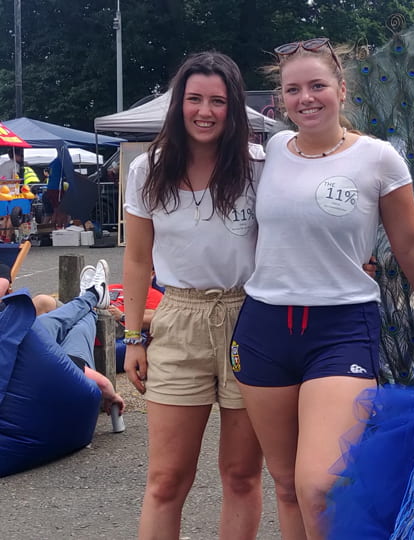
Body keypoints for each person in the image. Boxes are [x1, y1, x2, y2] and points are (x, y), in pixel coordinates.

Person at [230, 38, 414, 538]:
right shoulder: (271, 152)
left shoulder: (378, 158)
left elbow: (410, 244)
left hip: (341, 328)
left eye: (317, 86)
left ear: (341, 90)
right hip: (264, 327)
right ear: (280, 100)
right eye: (293, 89)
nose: (306, 98)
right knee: (285, 484)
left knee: (320, 484)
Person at [122, 52, 264, 540]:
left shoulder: (258, 169)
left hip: (250, 319)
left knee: (242, 475)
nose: (205, 111)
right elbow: (138, 260)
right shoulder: (147, 170)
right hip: (178, 320)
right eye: (195, 98)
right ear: (178, 103)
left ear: (234, 107)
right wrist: (134, 336)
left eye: (218, 101)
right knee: (166, 480)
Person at [0, 260, 125, 415]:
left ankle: (90, 297)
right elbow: (81, 375)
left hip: (20, 339)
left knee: (47, 319)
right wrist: (110, 392)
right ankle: (91, 297)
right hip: (61, 402)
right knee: (77, 326)